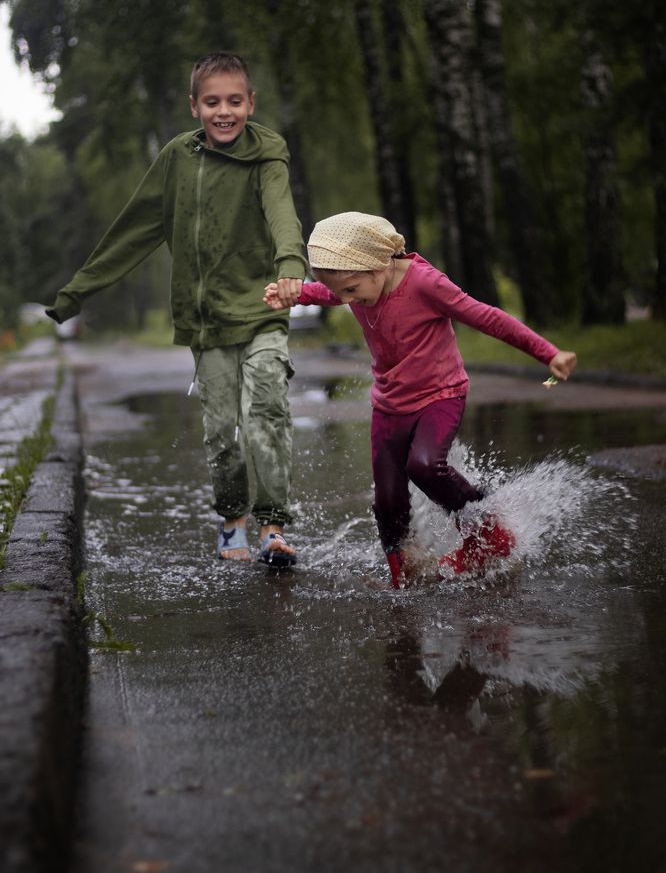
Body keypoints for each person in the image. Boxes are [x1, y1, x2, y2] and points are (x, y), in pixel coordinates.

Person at [46, 51, 306, 566]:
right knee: (220, 432)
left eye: (235, 100)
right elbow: (137, 226)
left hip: (262, 307)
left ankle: (273, 527)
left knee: (266, 409)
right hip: (205, 319)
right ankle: (232, 521)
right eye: (212, 102)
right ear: (194, 107)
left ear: (251, 102)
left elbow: (281, 211)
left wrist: (290, 264)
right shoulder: (177, 159)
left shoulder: (267, 153)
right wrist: (79, 290)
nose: (224, 111)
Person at [264, 211, 577, 588]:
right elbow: (328, 291)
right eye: (342, 293)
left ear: (376, 265)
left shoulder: (426, 284)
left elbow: (487, 317)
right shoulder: (357, 280)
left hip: (439, 395)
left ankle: (489, 532)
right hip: (389, 404)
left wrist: (548, 353)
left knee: (425, 465)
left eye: (351, 290)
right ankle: (404, 569)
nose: (347, 300)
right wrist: (296, 292)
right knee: (388, 500)